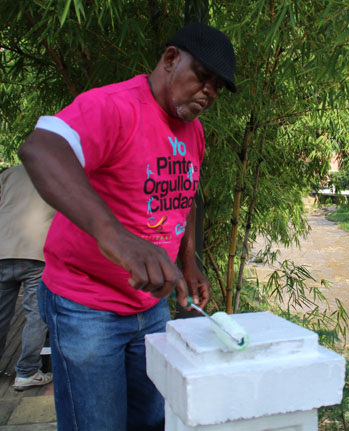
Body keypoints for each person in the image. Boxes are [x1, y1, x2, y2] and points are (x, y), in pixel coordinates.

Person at [18, 22, 236, 431]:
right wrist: (118, 238)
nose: (208, 92)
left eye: (217, 87)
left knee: (151, 420)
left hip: (150, 307)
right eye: (202, 76)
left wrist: (188, 261)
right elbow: (40, 148)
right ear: (170, 59)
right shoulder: (114, 106)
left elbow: (184, 195)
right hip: (86, 307)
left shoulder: (194, 131)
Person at [0, 165, 55, 390]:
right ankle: (27, 372)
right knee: (36, 315)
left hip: (3, 247)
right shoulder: (57, 171)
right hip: (36, 251)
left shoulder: (9, 174)